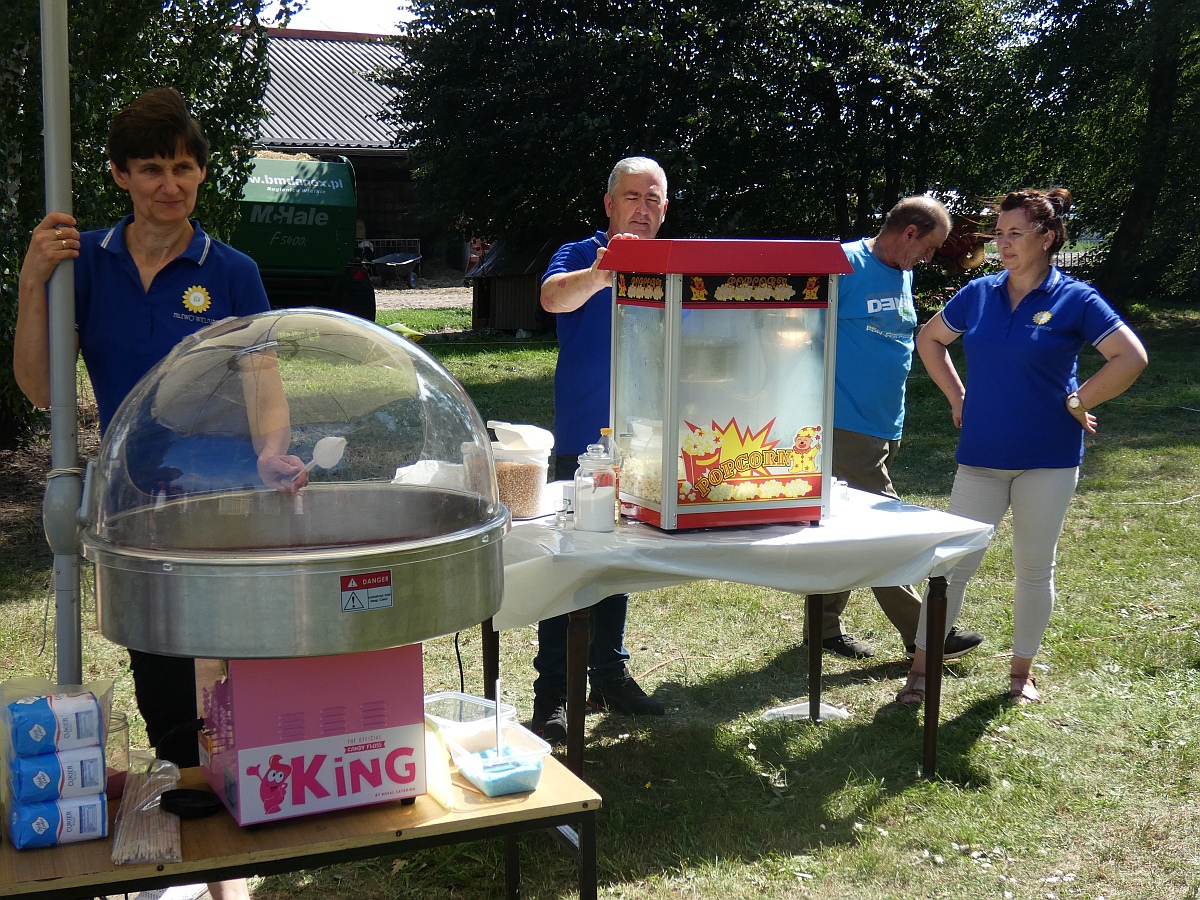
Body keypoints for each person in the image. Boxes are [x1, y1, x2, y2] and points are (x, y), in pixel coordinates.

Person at [14, 88, 306, 900]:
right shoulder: (85, 263)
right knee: (165, 687)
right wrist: (33, 282)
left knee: (232, 683)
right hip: (135, 507)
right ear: (119, 175)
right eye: (150, 168)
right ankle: (195, 850)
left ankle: (230, 876)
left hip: (225, 508)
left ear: (202, 173)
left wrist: (273, 454)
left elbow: (265, 385)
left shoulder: (233, 272)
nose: (168, 185)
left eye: (182, 167)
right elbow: (41, 388)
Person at [897, 188, 1148, 706]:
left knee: (1034, 568)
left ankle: (1021, 675)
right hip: (981, 457)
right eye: (999, 234)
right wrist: (957, 396)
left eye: (1015, 234)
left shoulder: (1076, 299)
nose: (1003, 244)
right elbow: (930, 339)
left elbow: (1131, 357)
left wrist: (1079, 399)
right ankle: (920, 672)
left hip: (1047, 459)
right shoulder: (979, 293)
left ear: (1047, 237)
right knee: (952, 566)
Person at [806, 197, 984, 662]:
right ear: (909, 232)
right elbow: (803, 333)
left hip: (884, 422)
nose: (930, 257)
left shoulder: (903, 270)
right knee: (883, 531)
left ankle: (822, 628)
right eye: (930, 246)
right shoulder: (843, 263)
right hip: (844, 423)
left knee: (843, 528)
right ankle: (925, 633)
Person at [531, 156, 670, 743]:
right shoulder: (580, 253)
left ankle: (608, 675)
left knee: (619, 562)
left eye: (653, 198)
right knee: (570, 563)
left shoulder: (673, 263)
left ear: (665, 209)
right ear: (609, 204)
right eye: (632, 196)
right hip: (584, 444)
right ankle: (553, 693)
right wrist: (604, 272)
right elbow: (552, 299)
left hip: (650, 445)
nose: (643, 207)